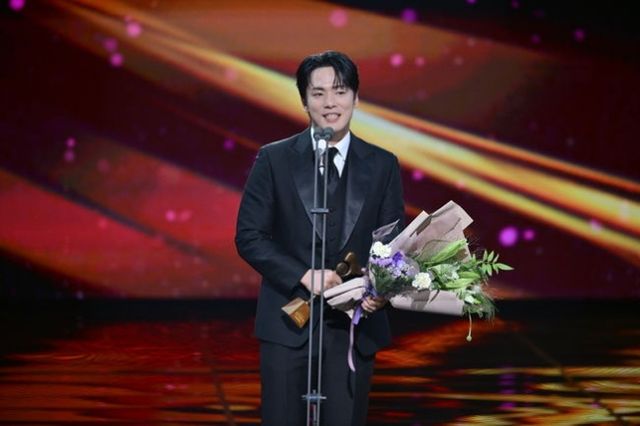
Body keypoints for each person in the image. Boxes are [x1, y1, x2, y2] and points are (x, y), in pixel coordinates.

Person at [235, 50, 405, 426]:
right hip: (288, 321)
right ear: (304, 101)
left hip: (353, 326)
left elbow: (393, 245)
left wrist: (380, 289)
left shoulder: (382, 164)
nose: (331, 103)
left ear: (356, 98)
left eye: (340, 91)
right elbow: (249, 236)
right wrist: (303, 275)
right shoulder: (274, 159)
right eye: (319, 93)